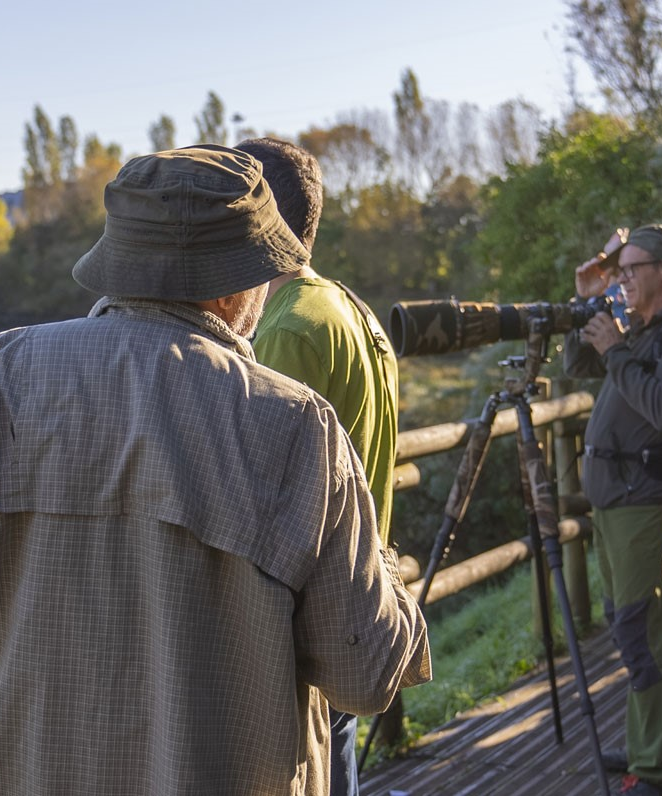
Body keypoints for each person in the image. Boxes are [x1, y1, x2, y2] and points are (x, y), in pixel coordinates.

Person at [0, 145, 431, 796]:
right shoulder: (297, 427)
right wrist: (387, 571)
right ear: (240, 285)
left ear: (116, 262)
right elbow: (367, 676)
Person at [238, 136, 400, 796]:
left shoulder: (286, 328)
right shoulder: (348, 307)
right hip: (356, 598)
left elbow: (264, 503)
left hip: (305, 618)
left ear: (259, 216)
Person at [568, 224, 662, 796]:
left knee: (637, 629)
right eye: (619, 270)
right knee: (634, 622)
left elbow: (660, 408)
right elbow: (579, 365)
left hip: (643, 499)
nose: (623, 279)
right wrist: (588, 301)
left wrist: (617, 349)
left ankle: (654, 767)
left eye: (632, 269)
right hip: (615, 499)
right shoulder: (642, 328)